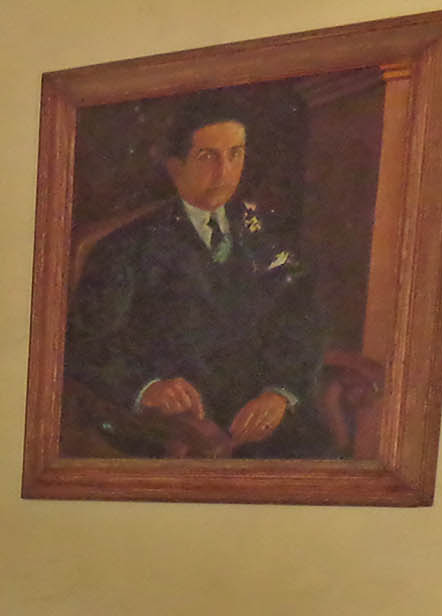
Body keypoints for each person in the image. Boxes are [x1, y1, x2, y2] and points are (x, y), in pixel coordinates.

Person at [64, 96, 329, 459]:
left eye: (235, 154)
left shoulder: (264, 235)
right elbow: (86, 346)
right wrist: (148, 389)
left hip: (271, 428)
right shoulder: (126, 248)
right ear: (176, 168)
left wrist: (281, 393)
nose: (224, 171)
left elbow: (303, 322)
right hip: (183, 435)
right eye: (207, 156)